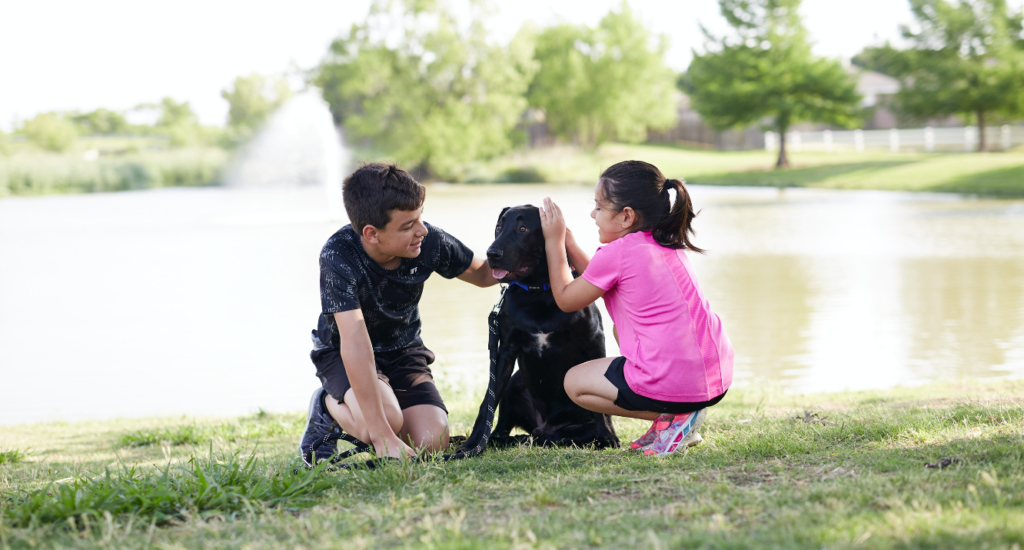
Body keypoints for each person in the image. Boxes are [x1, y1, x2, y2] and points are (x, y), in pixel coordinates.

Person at [300, 163, 498, 465]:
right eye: (407, 226)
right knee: (379, 423)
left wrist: (537, 250)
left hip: (403, 351)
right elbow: (354, 339)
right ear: (372, 233)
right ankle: (327, 406)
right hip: (344, 352)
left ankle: (377, 409)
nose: (421, 230)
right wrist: (382, 437)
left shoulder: (428, 240)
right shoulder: (337, 255)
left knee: (431, 441)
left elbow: (483, 275)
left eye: (420, 218)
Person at [538, 160, 733, 457]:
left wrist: (553, 242)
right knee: (621, 326)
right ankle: (680, 412)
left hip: (681, 382)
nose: (593, 214)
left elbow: (566, 298)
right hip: (715, 375)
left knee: (574, 383)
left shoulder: (618, 253)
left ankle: (675, 417)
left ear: (626, 216)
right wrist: (571, 242)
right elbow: (597, 280)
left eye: (599, 208)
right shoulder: (665, 242)